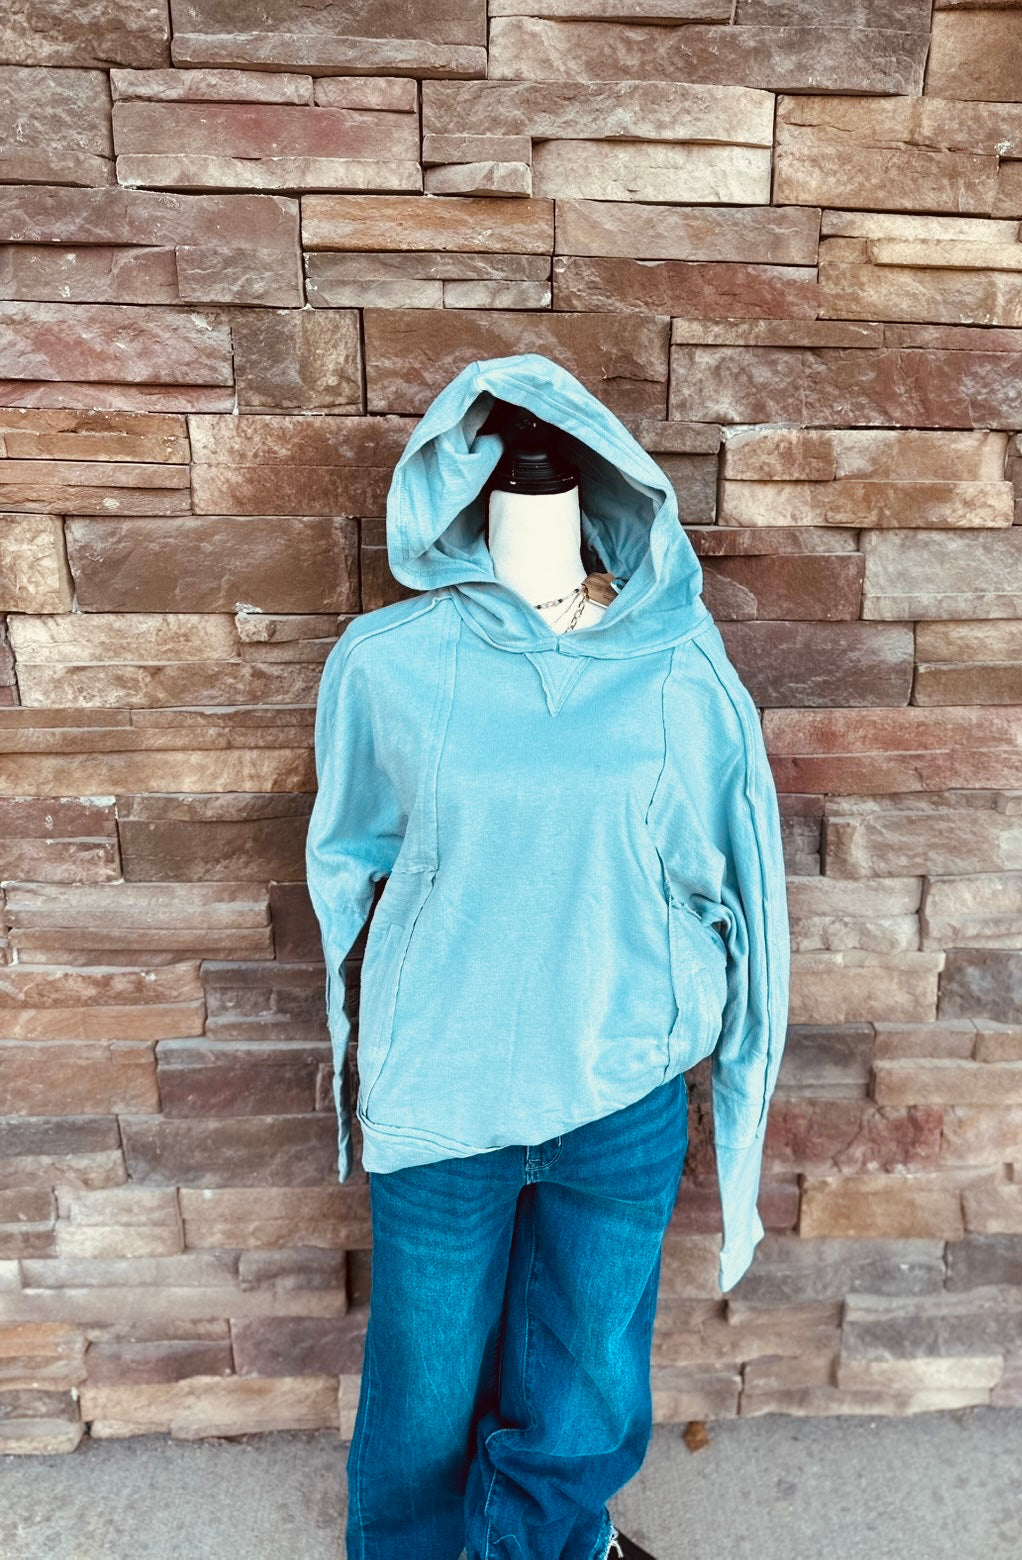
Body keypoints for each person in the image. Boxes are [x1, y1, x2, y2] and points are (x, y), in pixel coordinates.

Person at [306, 352, 792, 1560]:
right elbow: (345, 857)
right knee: (421, 1401)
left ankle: (547, 1549)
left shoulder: (683, 668)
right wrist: (355, 1062)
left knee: (584, 1399)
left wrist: (738, 1093)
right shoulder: (386, 662)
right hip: (446, 1093)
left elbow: (747, 887)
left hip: (622, 1088)